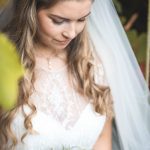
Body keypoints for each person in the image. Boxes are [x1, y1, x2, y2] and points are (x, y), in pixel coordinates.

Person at [0, 0, 150, 150]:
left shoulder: (97, 65)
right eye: (58, 21)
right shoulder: (4, 66)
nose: (71, 33)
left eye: (82, 19)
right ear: (30, 11)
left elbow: (102, 140)